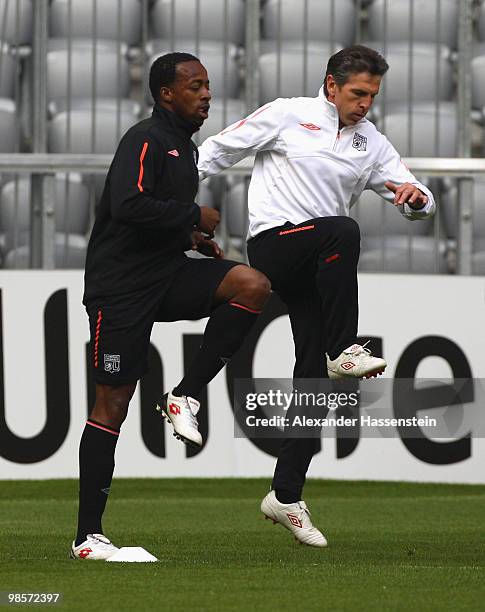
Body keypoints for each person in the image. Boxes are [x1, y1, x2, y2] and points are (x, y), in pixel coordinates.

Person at [197, 45, 436, 547]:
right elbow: (219, 149)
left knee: (314, 382)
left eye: (372, 94)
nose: (366, 103)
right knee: (343, 231)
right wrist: (170, 195)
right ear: (331, 85)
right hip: (274, 246)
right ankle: (346, 347)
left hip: (317, 269)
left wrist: (415, 200)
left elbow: (413, 193)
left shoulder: (370, 143)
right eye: (357, 93)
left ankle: (285, 494)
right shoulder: (289, 114)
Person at [71, 52, 271, 561]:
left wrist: (191, 237)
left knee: (250, 285)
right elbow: (128, 204)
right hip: (121, 289)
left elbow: (151, 218)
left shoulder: (185, 148)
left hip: (166, 273)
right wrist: (194, 214)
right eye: (196, 86)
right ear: (166, 93)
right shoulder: (145, 139)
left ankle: (184, 394)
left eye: (208, 86)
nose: (207, 94)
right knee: (112, 404)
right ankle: (87, 537)